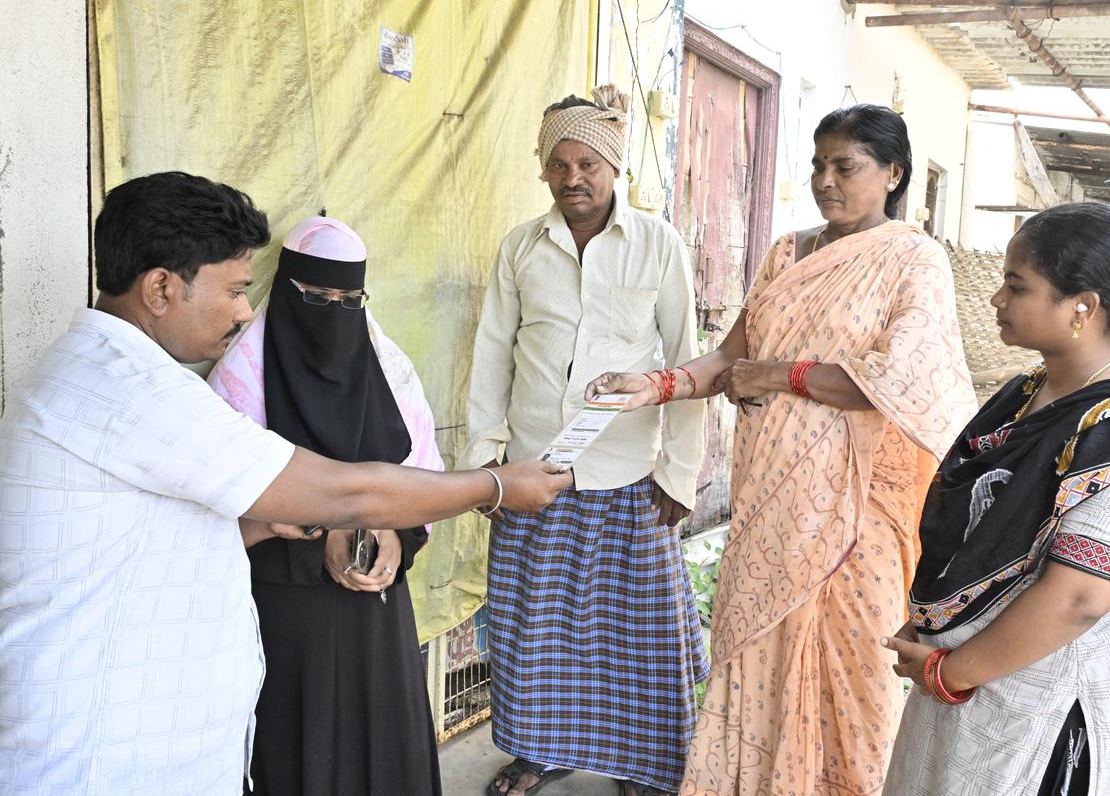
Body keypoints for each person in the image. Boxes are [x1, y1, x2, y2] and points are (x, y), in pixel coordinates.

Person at [0, 171, 571, 796]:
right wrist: (494, 486)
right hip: (107, 757)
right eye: (236, 290)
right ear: (161, 288)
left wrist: (277, 522)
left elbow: (156, 538)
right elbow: (343, 493)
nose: (246, 311)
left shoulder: (99, 372)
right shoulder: (139, 393)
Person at [587, 104, 977, 795]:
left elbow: (893, 380)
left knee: (855, 677)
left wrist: (781, 375)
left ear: (892, 173)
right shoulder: (786, 253)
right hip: (773, 503)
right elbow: (729, 360)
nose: (826, 181)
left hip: (859, 514)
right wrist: (652, 385)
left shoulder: (913, 259)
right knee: (755, 664)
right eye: (818, 165)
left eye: (845, 166)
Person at [881, 203, 1110, 796]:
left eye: (1016, 285)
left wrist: (950, 671)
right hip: (962, 683)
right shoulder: (1024, 393)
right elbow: (974, 534)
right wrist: (937, 629)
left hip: (1047, 697)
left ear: (1083, 306)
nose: (997, 299)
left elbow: (1080, 596)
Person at [462, 85, 708, 796]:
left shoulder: (659, 245)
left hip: (630, 473)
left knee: (644, 635)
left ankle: (647, 765)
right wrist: (487, 463)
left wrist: (678, 473)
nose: (574, 178)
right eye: (559, 163)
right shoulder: (521, 247)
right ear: (543, 169)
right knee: (532, 627)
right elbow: (491, 356)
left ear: (614, 168)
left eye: (588, 163)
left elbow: (685, 363)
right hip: (535, 472)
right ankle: (540, 751)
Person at [208, 215, 444, 795]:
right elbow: (221, 511)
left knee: (383, 754)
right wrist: (322, 535)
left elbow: (422, 480)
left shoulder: (390, 371)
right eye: (316, 298)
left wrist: (394, 536)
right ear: (286, 290)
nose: (333, 315)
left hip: (376, 614)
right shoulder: (239, 383)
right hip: (283, 616)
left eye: (349, 300)